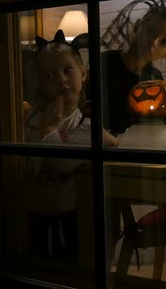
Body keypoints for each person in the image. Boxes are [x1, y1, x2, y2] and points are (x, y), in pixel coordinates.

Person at [23, 29, 118, 261]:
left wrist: (50, 129)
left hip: (68, 210)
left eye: (68, 71)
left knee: (68, 261)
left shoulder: (84, 126)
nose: (61, 80)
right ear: (40, 84)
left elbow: (62, 164)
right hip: (30, 208)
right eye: (49, 76)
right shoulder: (28, 118)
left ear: (83, 73)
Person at [85, 0, 166, 135]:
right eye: (151, 31)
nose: (154, 42)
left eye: (164, 42)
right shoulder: (101, 63)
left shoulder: (155, 79)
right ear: (137, 26)